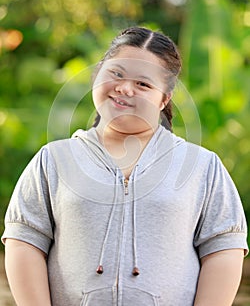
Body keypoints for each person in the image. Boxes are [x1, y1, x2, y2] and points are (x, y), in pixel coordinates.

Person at [1, 27, 248, 306]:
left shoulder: (202, 166)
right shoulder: (54, 160)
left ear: (164, 98)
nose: (125, 88)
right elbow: (25, 242)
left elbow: (223, 249)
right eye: (116, 74)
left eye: (143, 84)